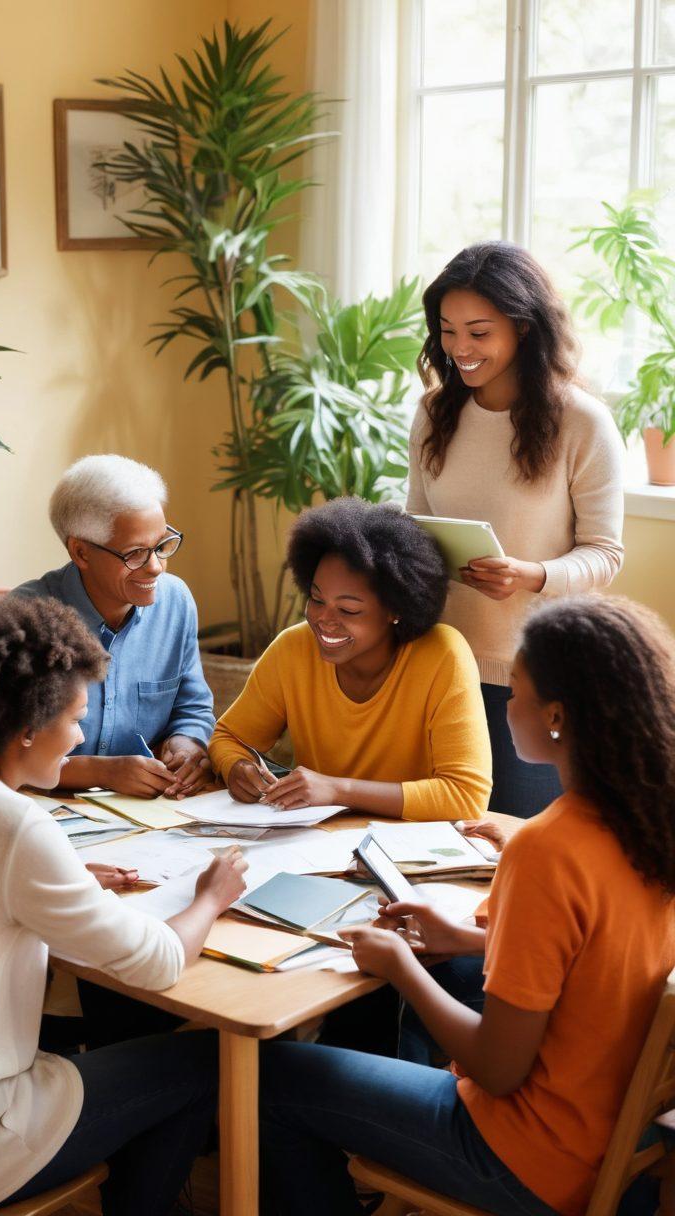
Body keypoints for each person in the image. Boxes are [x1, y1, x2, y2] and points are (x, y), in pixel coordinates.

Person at [259, 595, 675, 1216]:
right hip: (623, 1144)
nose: (506, 705)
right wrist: (474, 937)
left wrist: (400, 967)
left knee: (268, 1079)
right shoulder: (648, 820)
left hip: (531, 1158)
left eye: (518, 691)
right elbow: (605, 953)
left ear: (556, 716)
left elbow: (498, 1069)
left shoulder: (546, 850)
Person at [0, 597, 246, 1216]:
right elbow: (161, 961)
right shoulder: (14, 825)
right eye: (76, 717)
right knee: (203, 1061)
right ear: (26, 729)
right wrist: (210, 896)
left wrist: (56, 883)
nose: (81, 735)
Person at [407, 242, 624, 818]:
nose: (460, 349)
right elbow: (415, 524)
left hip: (534, 673)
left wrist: (534, 576)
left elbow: (604, 553)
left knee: (512, 840)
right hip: (441, 661)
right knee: (438, 840)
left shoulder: (582, 422)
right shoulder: (434, 413)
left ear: (524, 328)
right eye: (448, 331)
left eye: (479, 332)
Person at [209, 497, 492, 822]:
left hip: (407, 852)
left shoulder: (443, 655)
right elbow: (229, 737)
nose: (324, 620)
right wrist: (237, 767)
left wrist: (338, 791)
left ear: (395, 610)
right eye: (316, 599)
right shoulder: (293, 649)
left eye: (349, 610)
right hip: (316, 845)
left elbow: (466, 796)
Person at [14, 453, 215, 801]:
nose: (156, 567)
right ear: (81, 553)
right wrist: (103, 772)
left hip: (150, 811)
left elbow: (193, 707)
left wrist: (186, 744)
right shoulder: (24, 619)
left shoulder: (176, 602)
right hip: (45, 808)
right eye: (136, 553)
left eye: (162, 545)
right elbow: (5, 752)